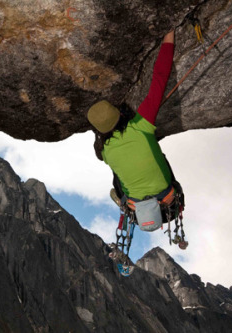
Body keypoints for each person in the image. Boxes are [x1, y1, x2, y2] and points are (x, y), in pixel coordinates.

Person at [87, 30, 178, 232]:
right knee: (152, 158)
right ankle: (124, 199)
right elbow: (160, 77)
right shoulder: (141, 124)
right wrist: (169, 33)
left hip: (150, 204)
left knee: (118, 174)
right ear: (118, 113)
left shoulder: (106, 152)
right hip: (169, 199)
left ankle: (123, 200)